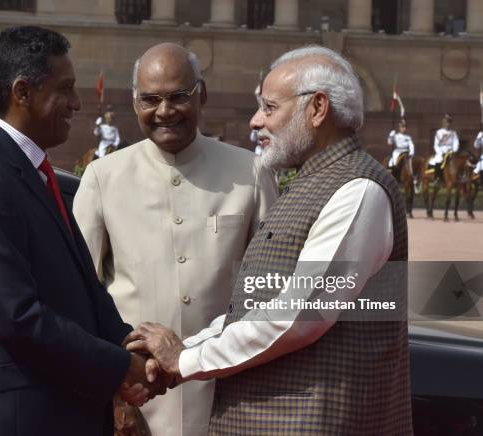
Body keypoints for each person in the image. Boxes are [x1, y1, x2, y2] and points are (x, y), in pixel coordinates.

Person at [126, 45, 413, 435]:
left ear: (317, 109)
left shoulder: (357, 191)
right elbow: (253, 308)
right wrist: (184, 351)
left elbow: (297, 316)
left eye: (270, 107)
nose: (256, 121)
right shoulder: (309, 184)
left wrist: (185, 360)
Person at [0, 26, 162, 436]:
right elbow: (17, 318)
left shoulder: (28, 171)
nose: (76, 103)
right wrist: (119, 367)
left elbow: (81, 287)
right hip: (14, 420)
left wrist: (127, 344)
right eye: (65, 89)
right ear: (22, 92)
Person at [73, 43, 277, 436]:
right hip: (135, 404)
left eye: (177, 97)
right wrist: (110, 395)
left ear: (201, 95)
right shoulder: (103, 177)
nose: (164, 111)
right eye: (150, 99)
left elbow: (272, 290)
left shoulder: (250, 173)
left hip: (228, 399)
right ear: (135, 102)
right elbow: (80, 296)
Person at [429, 114, 459, 183]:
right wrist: (440, 152)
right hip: (441, 151)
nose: (447, 124)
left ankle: (458, 177)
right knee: (439, 160)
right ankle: (437, 178)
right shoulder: (439, 132)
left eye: (449, 122)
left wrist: (454, 150)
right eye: (446, 122)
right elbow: (436, 145)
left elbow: (456, 142)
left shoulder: (453, 133)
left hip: (450, 151)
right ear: (443, 123)